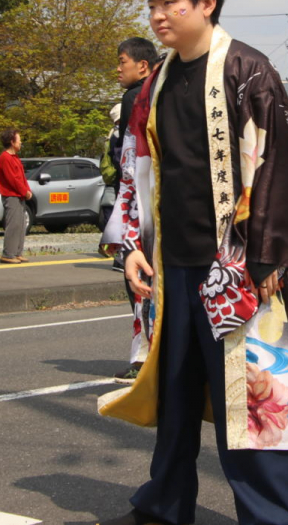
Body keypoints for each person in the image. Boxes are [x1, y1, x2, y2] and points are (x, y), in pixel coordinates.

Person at [98, 0, 288, 525]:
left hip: (238, 268)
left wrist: (270, 257)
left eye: (169, 2)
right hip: (174, 267)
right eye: (152, 2)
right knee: (174, 396)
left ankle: (281, 515)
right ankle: (164, 504)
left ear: (207, 2)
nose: (156, 15)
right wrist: (132, 246)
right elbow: (138, 170)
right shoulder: (154, 84)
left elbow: (275, 165)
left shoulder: (249, 70)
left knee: (253, 398)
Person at [104, 37, 161, 384]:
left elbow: (128, 157)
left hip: (142, 205)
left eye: (122, 61)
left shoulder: (135, 97)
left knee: (139, 281)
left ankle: (144, 359)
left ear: (142, 65)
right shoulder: (166, 89)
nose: (118, 68)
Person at [0, 129, 33, 264]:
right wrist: (25, 191)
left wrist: (27, 190)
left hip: (19, 195)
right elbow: (12, 179)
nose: (21, 142)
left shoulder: (15, 157)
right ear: (12, 142)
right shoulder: (5, 157)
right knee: (13, 224)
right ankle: (8, 253)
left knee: (21, 224)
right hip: (11, 195)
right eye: (19, 140)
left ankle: (17, 252)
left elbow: (21, 177)